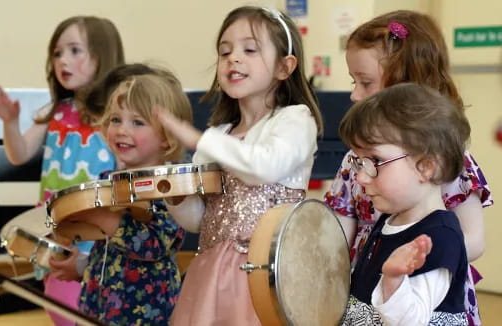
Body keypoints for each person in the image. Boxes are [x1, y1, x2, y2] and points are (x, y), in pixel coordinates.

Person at [154, 6, 323, 325]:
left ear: (284, 67)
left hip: (270, 275)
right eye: (224, 51)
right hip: (213, 273)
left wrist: (196, 139)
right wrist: (176, 196)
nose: (233, 58)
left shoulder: (295, 121)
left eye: (250, 49)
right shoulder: (218, 135)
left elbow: (264, 167)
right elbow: (200, 221)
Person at [324, 10, 492, 325]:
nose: (354, 94)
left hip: (423, 292)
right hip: (367, 285)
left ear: (408, 88)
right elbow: (338, 230)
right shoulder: (354, 159)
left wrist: (417, 262)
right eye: (353, 81)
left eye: (365, 82)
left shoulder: (453, 162)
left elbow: (473, 239)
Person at [0, 15, 125, 326]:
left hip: (98, 238)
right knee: (60, 306)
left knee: (88, 310)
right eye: (57, 53)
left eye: (75, 50)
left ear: (102, 56)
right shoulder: (55, 112)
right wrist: (9, 122)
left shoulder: (114, 115)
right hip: (57, 235)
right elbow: (18, 154)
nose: (63, 60)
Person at [51, 68, 192, 325]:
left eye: (137, 122)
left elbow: (155, 246)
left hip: (144, 313)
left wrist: (104, 218)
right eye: (116, 119)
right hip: (98, 305)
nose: (121, 130)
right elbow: (107, 247)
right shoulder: (110, 179)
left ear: (167, 136)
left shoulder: (169, 185)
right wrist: (83, 266)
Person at [339, 83, 470, 325]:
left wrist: (392, 280)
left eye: (375, 160)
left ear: (426, 167)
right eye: (360, 162)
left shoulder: (439, 236)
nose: (360, 176)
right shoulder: (389, 220)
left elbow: (412, 320)